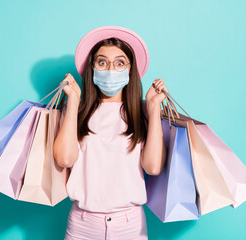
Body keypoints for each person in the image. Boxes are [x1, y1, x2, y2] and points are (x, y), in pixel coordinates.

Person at [53, 26, 169, 240]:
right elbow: (65, 158)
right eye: (102, 62)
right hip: (82, 225)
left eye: (120, 62)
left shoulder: (142, 111)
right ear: (92, 67)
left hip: (130, 225)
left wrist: (153, 109)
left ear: (130, 69)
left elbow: (153, 167)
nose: (111, 69)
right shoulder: (75, 111)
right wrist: (73, 101)